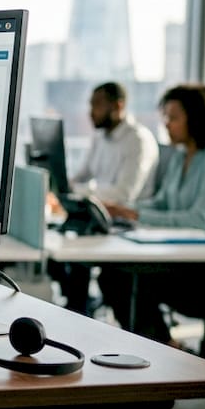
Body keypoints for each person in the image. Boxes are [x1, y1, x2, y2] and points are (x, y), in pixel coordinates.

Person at [96, 84, 205, 345]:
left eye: (173, 117)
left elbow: (199, 220)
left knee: (126, 278)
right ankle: (161, 345)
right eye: (165, 116)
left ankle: (161, 348)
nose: (166, 124)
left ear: (198, 119)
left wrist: (136, 215)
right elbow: (164, 203)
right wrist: (127, 211)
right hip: (186, 255)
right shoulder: (180, 156)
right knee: (114, 274)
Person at [50, 82, 159, 314]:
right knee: (58, 248)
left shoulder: (138, 140)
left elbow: (123, 195)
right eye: (90, 105)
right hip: (98, 219)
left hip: (126, 224)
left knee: (74, 253)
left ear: (118, 106)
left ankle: (78, 310)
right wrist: (58, 184)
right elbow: (81, 177)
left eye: (97, 106)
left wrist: (79, 192)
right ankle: (76, 308)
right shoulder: (100, 137)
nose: (91, 112)